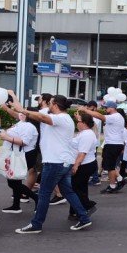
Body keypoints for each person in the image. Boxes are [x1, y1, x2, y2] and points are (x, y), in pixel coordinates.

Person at [11, 94, 93, 233]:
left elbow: (41, 117)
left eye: (50, 103)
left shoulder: (62, 118)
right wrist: (14, 98)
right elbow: (27, 113)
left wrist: (23, 110)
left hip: (56, 162)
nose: (48, 104)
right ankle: (84, 218)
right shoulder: (56, 116)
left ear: (55, 105)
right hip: (62, 162)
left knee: (43, 194)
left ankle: (36, 224)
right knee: (68, 191)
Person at [0, 106, 40, 213]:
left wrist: (6, 137)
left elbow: (24, 141)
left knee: (13, 182)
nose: (21, 112)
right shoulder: (23, 124)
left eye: (24, 111)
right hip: (17, 154)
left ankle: (36, 198)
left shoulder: (30, 126)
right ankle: (16, 205)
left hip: (23, 155)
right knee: (15, 180)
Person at [80, 101, 126, 193]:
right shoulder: (117, 116)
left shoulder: (114, 116)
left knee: (110, 167)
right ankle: (120, 180)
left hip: (113, 144)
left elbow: (100, 116)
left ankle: (112, 186)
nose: (105, 109)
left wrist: (85, 110)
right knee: (109, 165)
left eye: (106, 107)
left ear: (112, 108)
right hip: (114, 144)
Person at [69, 112, 99, 219]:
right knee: (81, 188)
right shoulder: (85, 132)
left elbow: (82, 153)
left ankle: (88, 206)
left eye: (79, 121)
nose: (77, 123)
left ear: (84, 123)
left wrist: (76, 166)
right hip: (85, 164)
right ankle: (75, 211)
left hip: (85, 165)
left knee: (75, 188)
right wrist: (79, 117)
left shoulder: (87, 135)